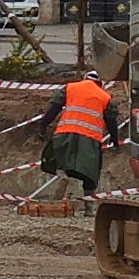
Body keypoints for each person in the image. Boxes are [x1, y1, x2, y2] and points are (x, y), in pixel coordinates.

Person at [48, 55, 114, 193]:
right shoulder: (105, 96)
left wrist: (43, 125)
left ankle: (62, 176)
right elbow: (111, 120)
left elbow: (54, 108)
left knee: (61, 161)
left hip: (65, 133)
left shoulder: (70, 88)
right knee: (90, 173)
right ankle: (89, 205)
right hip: (90, 139)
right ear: (100, 83)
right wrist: (115, 139)